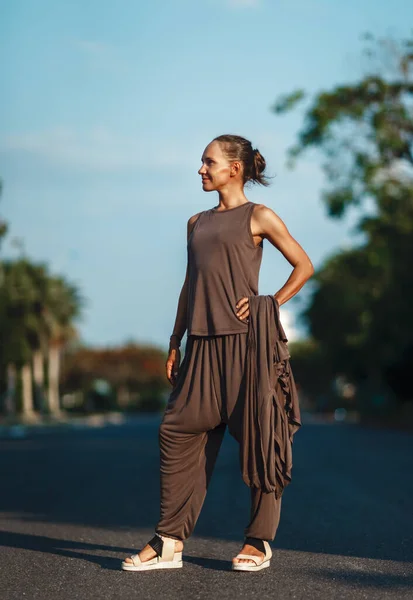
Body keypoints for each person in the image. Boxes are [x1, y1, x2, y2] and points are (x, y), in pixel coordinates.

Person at [121, 134, 314, 573]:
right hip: (203, 346)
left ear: (235, 169)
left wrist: (271, 302)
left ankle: (258, 541)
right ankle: (169, 541)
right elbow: (190, 286)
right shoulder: (196, 223)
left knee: (264, 440)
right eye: (202, 163)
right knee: (176, 432)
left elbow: (303, 265)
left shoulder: (259, 216)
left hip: (247, 346)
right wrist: (175, 340)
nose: (201, 170)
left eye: (209, 162)